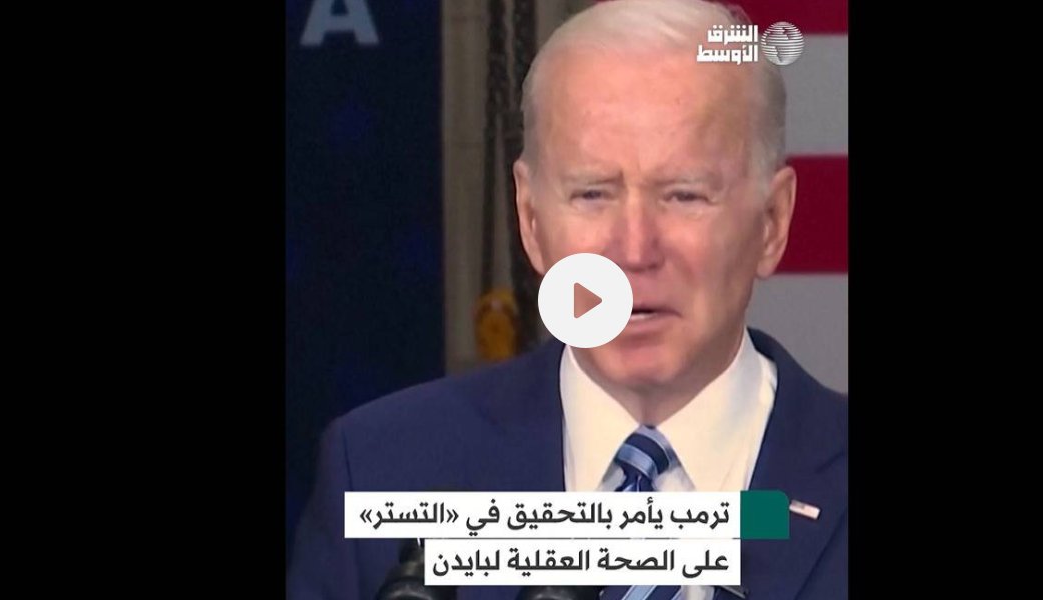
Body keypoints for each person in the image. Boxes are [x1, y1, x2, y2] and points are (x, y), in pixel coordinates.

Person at [288, 1, 847, 598]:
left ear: (771, 222)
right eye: (592, 194)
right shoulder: (380, 470)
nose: (634, 249)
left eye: (684, 195)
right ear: (531, 221)